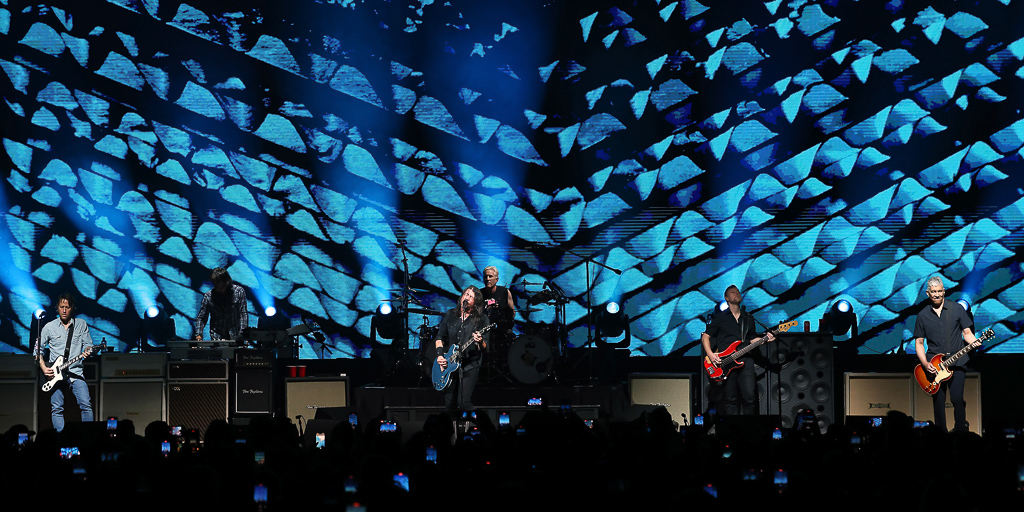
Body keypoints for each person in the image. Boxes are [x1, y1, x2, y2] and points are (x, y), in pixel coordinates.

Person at [914, 276, 979, 433]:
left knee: (957, 398)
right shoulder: (922, 316)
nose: (937, 295)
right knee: (939, 401)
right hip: (934, 366)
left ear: (944, 291)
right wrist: (924, 363)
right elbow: (919, 343)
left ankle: (960, 432)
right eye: (933, 292)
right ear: (928, 293)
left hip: (958, 363)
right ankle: (940, 434)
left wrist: (974, 342)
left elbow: (967, 332)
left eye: (939, 291)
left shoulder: (957, 308)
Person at [700, 285, 773, 415]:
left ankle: (749, 431)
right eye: (733, 292)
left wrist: (765, 339)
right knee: (730, 399)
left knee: (750, 398)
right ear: (726, 298)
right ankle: (732, 432)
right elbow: (706, 336)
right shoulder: (720, 317)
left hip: (746, 361)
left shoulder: (748, 318)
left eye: (738, 292)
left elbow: (751, 340)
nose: (737, 294)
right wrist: (711, 355)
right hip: (726, 362)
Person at [37, 293, 96, 432]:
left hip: (75, 372)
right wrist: (44, 367)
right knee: (56, 408)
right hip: (55, 374)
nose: (64, 310)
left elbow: (89, 346)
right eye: (61, 307)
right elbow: (37, 351)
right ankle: (60, 438)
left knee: (86, 404)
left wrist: (89, 351)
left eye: (67, 307)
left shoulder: (81, 324)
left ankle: (88, 435)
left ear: (72, 308)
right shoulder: (49, 327)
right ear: (57, 308)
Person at [435, 286, 490, 411]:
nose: (467, 297)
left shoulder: (482, 319)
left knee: (463, 403)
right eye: (466, 294)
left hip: (470, 365)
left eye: (471, 296)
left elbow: (486, 348)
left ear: (475, 302)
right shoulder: (450, 315)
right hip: (450, 364)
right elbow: (439, 337)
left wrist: (480, 341)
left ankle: (480, 424)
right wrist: (440, 355)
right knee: (449, 404)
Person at [195, 267, 248, 341]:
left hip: (236, 335)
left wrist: (244, 333)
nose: (216, 286)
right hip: (217, 337)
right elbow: (202, 317)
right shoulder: (208, 297)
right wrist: (199, 335)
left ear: (226, 282)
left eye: (218, 283)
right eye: (214, 284)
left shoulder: (239, 292)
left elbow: (243, 313)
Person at [481, 265, 515, 345]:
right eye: (486, 277)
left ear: (497, 280)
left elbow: (512, 312)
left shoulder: (504, 292)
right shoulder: (479, 294)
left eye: (490, 276)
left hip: (502, 330)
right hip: (485, 331)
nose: (488, 279)